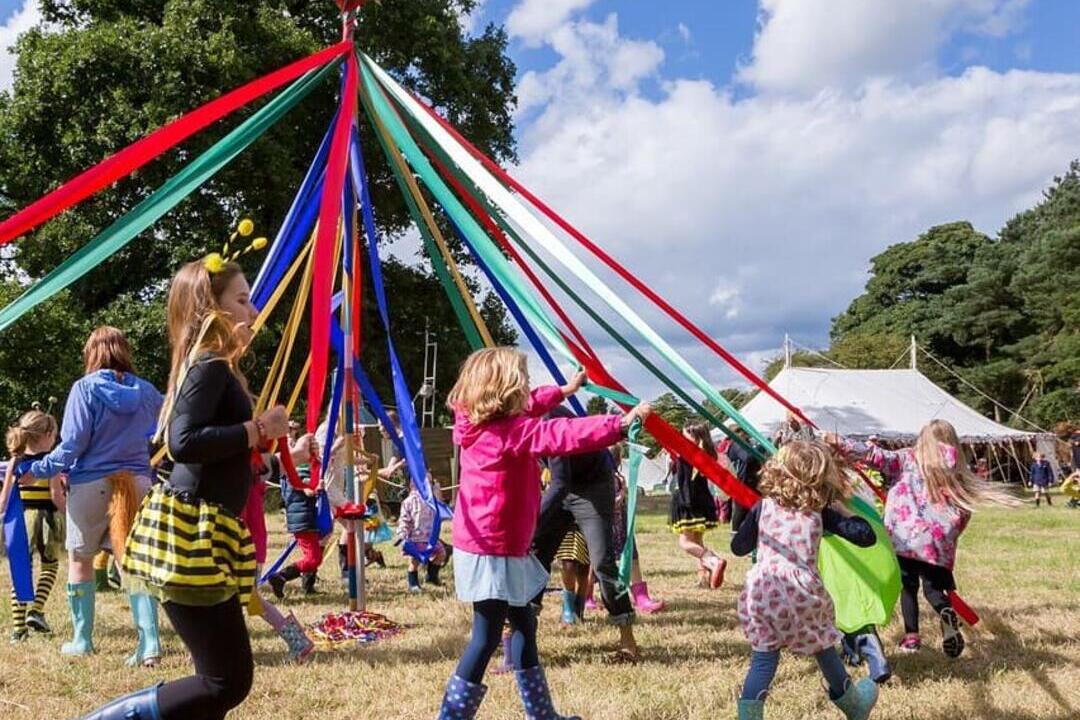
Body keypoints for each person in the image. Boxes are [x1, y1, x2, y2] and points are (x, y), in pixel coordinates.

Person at [76, 256, 308, 719]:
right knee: (225, 681)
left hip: (206, 529)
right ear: (212, 309)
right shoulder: (209, 367)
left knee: (225, 681)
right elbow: (183, 443)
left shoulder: (212, 366)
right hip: (190, 535)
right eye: (242, 300)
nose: (253, 310)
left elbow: (208, 447)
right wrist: (258, 428)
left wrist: (260, 452)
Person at [436, 348, 650, 720]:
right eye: (523, 382)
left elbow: (534, 406)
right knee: (485, 638)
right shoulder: (509, 432)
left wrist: (564, 391)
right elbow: (562, 433)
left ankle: (543, 714)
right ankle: (451, 717)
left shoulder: (481, 421)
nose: (529, 389)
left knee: (525, 625)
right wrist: (619, 424)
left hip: (503, 547)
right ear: (505, 392)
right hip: (493, 549)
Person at [21, 326, 163, 666]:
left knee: (80, 560)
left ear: (92, 354)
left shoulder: (84, 389)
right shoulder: (148, 391)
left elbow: (72, 445)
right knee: (133, 563)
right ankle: (150, 644)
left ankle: (82, 639)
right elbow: (162, 431)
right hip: (138, 482)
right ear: (124, 351)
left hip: (89, 485)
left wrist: (37, 469)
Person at [835, 420, 1016, 658]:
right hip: (937, 544)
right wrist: (951, 537)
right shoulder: (958, 469)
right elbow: (964, 512)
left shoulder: (909, 458)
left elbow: (873, 455)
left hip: (905, 539)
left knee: (908, 588)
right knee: (933, 590)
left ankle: (911, 638)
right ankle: (944, 612)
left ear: (923, 438)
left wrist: (836, 441)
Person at [732, 440, 879, 720]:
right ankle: (855, 705)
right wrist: (845, 511)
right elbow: (866, 536)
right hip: (803, 595)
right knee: (823, 647)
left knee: (763, 660)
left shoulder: (763, 508)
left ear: (776, 471)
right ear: (821, 476)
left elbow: (738, 547)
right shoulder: (819, 511)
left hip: (762, 594)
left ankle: (749, 716)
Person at [531, 408, 641, 659]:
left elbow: (560, 482)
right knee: (536, 555)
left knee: (602, 562)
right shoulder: (513, 421)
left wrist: (532, 523)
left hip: (592, 485)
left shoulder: (547, 420)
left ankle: (628, 640)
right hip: (561, 485)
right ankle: (524, 637)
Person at [241, 452, 313, 662]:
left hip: (245, 549)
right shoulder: (253, 481)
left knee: (249, 600)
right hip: (252, 548)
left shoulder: (245, 484)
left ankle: (298, 642)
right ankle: (297, 641)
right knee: (252, 600)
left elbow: (240, 518)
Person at [2, 410, 64, 642]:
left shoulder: (14, 461)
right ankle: (37, 611)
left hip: (19, 520)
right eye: (54, 435)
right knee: (50, 567)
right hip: (47, 519)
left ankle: (18, 630)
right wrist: (71, 515)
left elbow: (4, 499)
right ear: (47, 434)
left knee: (20, 571)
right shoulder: (51, 463)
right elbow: (56, 495)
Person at [670, 421, 726, 589]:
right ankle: (704, 577)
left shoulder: (687, 453)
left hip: (689, 501)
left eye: (684, 434)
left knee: (685, 542)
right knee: (698, 541)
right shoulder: (706, 453)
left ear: (693, 437)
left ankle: (714, 561)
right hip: (702, 500)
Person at [395, 474, 448, 593]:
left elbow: (441, 509)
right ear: (413, 485)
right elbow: (404, 519)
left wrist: (437, 490)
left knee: (441, 554)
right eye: (425, 482)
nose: (428, 485)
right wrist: (402, 532)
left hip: (431, 538)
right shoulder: (409, 501)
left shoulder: (432, 500)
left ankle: (432, 576)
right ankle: (413, 583)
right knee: (415, 562)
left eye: (430, 483)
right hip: (416, 538)